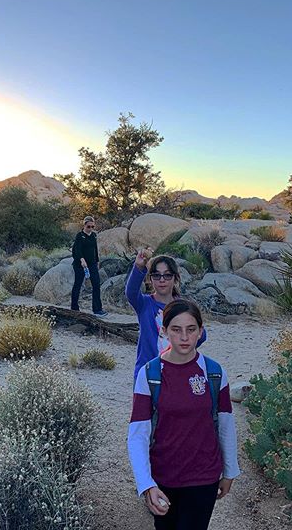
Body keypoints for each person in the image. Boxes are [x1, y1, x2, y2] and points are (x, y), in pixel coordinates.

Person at [128, 298, 239, 530]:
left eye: (191, 329)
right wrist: (146, 484)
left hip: (203, 478)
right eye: (176, 330)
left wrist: (229, 471)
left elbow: (226, 425)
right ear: (164, 331)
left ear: (201, 331)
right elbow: (138, 433)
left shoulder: (215, 373)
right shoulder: (150, 374)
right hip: (163, 477)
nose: (184, 337)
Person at [126, 248, 206, 380]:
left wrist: (184, 349)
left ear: (175, 278)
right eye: (156, 275)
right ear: (150, 279)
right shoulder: (144, 304)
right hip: (147, 372)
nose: (162, 280)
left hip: (177, 372)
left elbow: (201, 335)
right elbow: (131, 292)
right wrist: (139, 267)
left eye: (167, 275)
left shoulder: (183, 307)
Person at [71, 216, 107, 316]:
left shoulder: (94, 235)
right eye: (88, 226)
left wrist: (97, 261)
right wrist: (82, 260)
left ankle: (97, 309)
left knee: (96, 285)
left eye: (92, 226)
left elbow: (95, 249)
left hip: (92, 264)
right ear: (84, 225)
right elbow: (76, 250)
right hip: (80, 265)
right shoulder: (80, 236)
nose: (90, 228)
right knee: (77, 285)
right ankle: (74, 308)